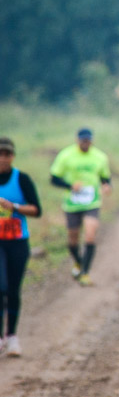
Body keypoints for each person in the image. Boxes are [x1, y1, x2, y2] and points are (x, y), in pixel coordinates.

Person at [50, 129, 112, 287]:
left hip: (92, 203)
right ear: (77, 140)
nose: (85, 143)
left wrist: (106, 186)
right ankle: (78, 262)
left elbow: (105, 177)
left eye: (88, 140)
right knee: (73, 238)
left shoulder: (100, 157)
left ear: (92, 141)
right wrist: (70, 186)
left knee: (90, 235)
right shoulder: (66, 155)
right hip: (72, 204)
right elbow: (54, 179)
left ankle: (84, 273)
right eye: (82, 140)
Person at [0, 138, 42, 357]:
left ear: (12, 156)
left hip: (17, 242)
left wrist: (14, 207)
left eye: (7, 154)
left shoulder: (21, 179)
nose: (3, 159)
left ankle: (12, 337)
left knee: (13, 289)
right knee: (1, 287)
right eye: (0, 154)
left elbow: (37, 210)